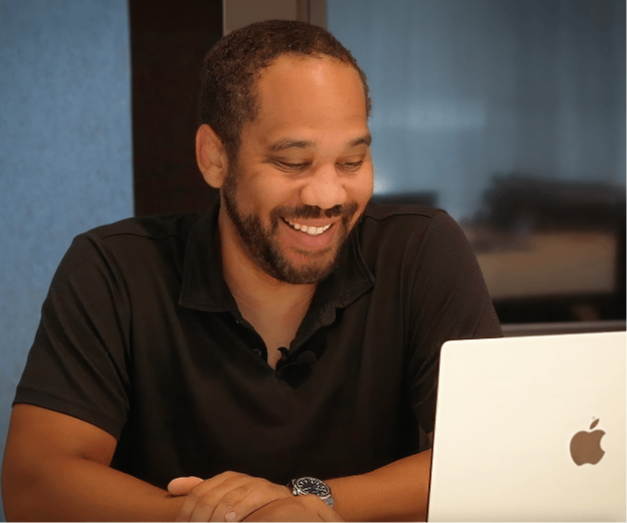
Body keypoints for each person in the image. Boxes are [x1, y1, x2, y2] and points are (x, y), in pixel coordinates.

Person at [2, 20, 501, 522]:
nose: (328, 195)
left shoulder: (420, 249)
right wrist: (234, 517)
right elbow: (34, 484)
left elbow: (492, 457)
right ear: (215, 158)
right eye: (293, 163)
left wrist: (306, 503)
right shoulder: (114, 268)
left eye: (352, 162)